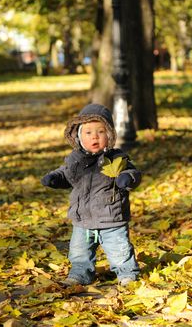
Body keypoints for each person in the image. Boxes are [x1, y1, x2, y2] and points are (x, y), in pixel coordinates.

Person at [41, 103, 141, 286]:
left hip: (111, 218)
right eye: (88, 133)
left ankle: (127, 275)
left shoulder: (117, 158)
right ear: (78, 136)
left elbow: (133, 173)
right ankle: (80, 274)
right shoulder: (75, 159)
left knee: (120, 251)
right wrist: (55, 178)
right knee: (79, 252)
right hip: (83, 219)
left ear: (109, 135)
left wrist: (127, 178)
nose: (94, 136)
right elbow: (66, 174)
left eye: (100, 132)